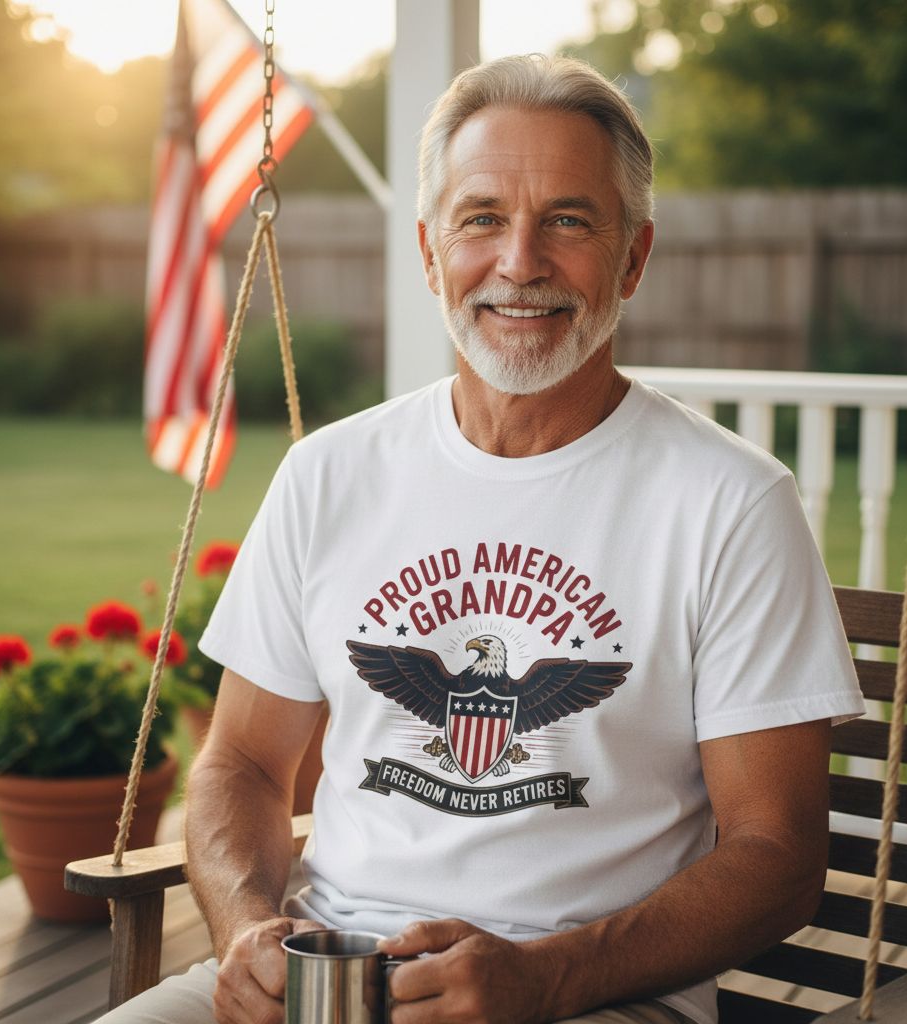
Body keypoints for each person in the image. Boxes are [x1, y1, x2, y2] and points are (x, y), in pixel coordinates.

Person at [102, 54, 865, 1024]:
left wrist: (549, 975)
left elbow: (778, 856)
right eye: (482, 218)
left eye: (568, 220)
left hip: (590, 993)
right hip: (328, 970)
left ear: (632, 256)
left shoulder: (730, 502)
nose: (519, 261)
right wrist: (249, 929)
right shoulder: (328, 473)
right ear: (429, 252)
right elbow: (242, 765)